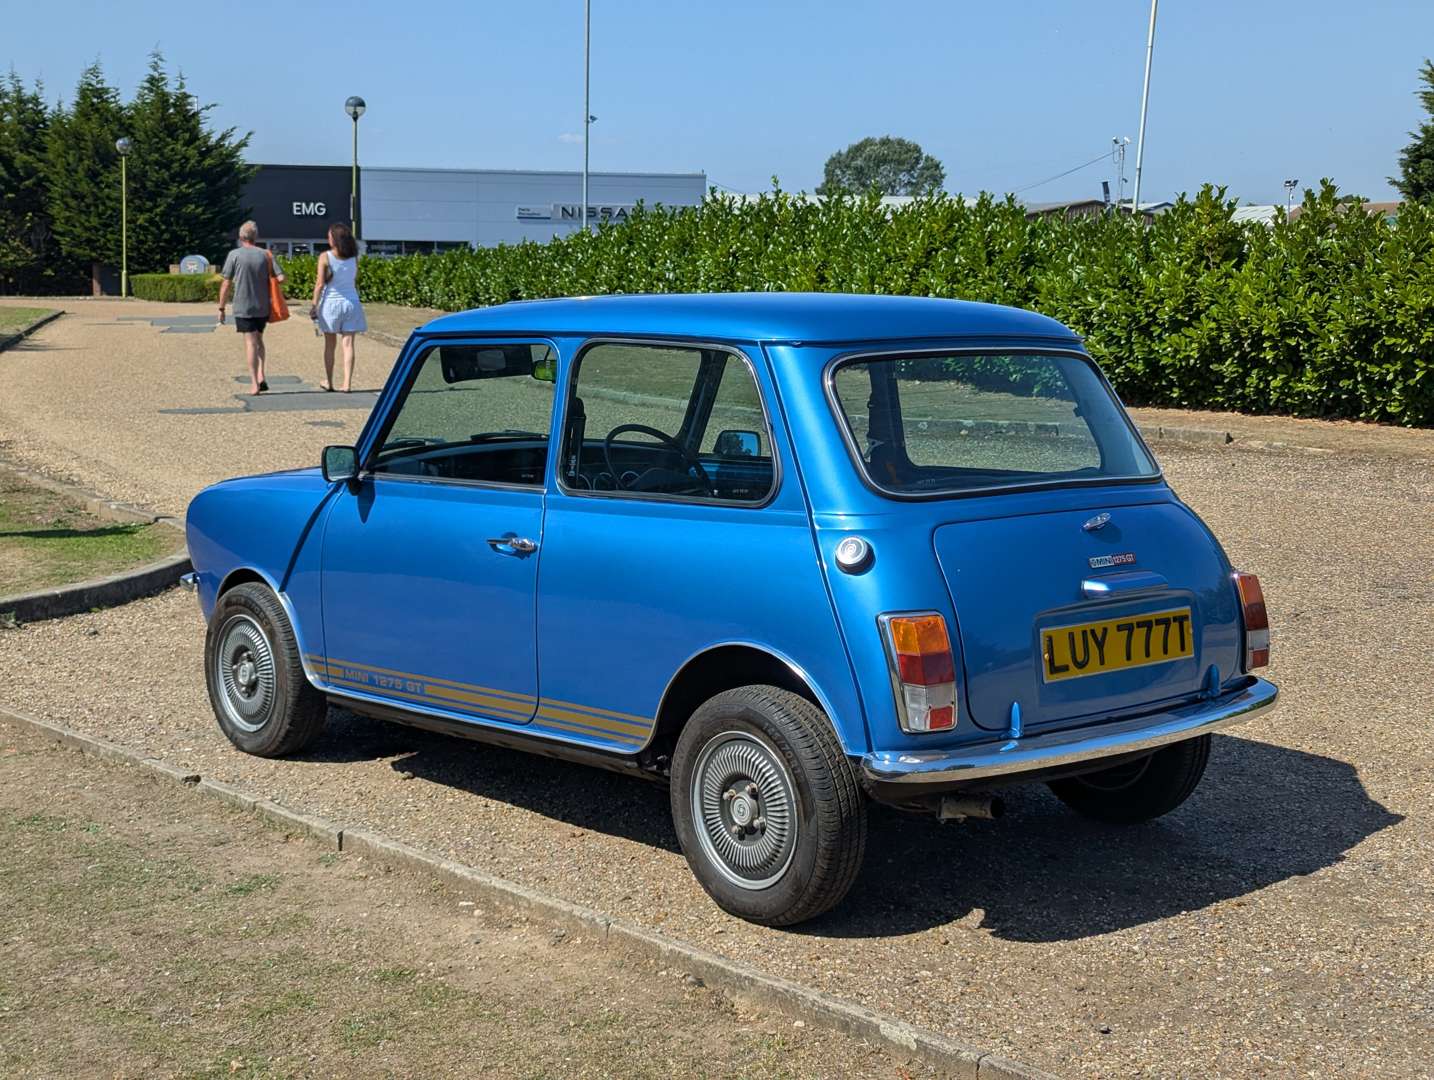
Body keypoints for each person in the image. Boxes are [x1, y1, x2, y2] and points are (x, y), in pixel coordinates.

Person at [217, 221, 284, 395]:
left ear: (240, 237)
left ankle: (254, 383)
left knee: (250, 342)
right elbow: (281, 278)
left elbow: (226, 283)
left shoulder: (234, 255)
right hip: (262, 306)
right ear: (256, 237)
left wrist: (221, 308)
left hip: (243, 306)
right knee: (259, 339)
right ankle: (261, 374)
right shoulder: (266, 254)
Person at [310, 223, 367, 392]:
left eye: (329, 236)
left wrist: (314, 305)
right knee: (348, 344)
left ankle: (329, 381)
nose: (328, 239)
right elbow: (354, 278)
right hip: (351, 302)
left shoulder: (325, 256)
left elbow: (320, 284)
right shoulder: (354, 257)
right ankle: (347, 383)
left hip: (331, 303)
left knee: (330, 344)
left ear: (334, 239)